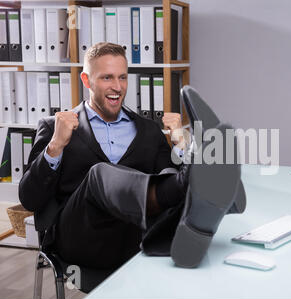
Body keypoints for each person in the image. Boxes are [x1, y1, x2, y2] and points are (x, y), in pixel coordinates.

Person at [19, 42, 191, 270]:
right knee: (101, 173)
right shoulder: (54, 128)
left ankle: (200, 195)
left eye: (123, 77)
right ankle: (194, 183)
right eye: (107, 78)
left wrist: (181, 145)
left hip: (134, 234)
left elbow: (168, 180)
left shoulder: (148, 130)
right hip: (79, 237)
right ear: (87, 80)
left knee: (169, 174)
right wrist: (55, 146)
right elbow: (29, 199)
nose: (118, 87)